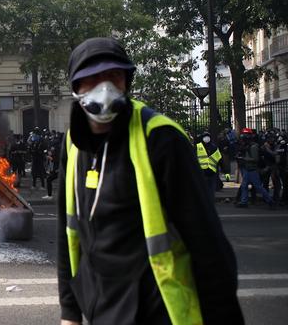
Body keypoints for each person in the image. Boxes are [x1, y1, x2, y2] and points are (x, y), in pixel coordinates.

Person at [58, 37, 243, 325]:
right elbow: (65, 230)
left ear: (126, 83)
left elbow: (209, 246)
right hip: (101, 308)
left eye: (114, 76)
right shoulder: (72, 143)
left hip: (155, 311)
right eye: (92, 78)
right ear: (76, 87)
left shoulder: (161, 138)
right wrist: (69, 312)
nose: (104, 87)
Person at [236, 128, 275, 209]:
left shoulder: (253, 146)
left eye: (245, 135)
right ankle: (244, 202)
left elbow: (255, 159)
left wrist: (243, 159)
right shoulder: (248, 145)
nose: (243, 137)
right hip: (247, 169)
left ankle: (270, 201)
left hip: (252, 170)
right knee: (244, 186)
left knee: (258, 187)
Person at [196, 131, 223, 202]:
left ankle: (209, 201)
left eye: (208, 136)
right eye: (205, 136)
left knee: (211, 189)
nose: (206, 138)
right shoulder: (198, 146)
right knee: (204, 188)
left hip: (211, 172)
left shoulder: (214, 147)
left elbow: (219, 159)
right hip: (203, 172)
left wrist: (224, 170)